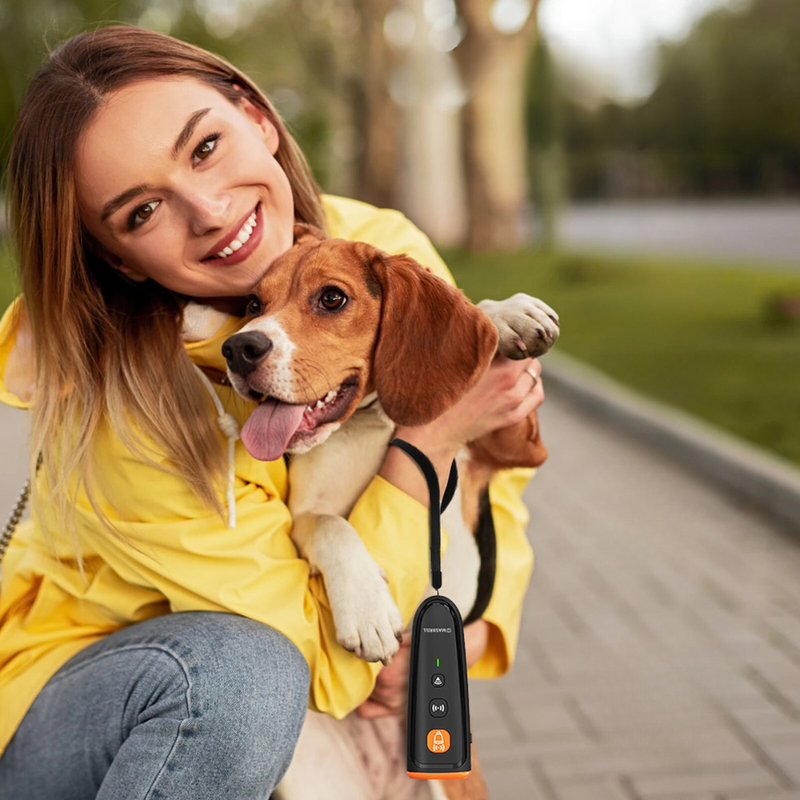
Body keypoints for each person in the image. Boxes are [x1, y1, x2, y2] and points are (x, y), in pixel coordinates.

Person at [0, 24, 543, 799]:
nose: (211, 211)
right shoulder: (123, 410)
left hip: (313, 681)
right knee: (241, 676)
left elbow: (493, 474)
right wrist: (429, 437)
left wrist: (475, 622)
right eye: (142, 210)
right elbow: (325, 661)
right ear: (118, 257)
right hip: (86, 708)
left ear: (256, 116)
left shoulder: (380, 243)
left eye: (204, 148)